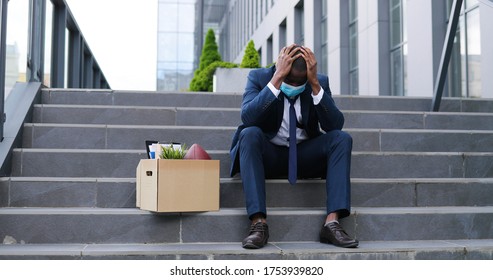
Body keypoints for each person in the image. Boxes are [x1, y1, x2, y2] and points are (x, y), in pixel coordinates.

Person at [229, 44, 358, 249]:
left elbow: (334, 125)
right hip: (268, 155)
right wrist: (277, 80)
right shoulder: (259, 78)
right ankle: (258, 223)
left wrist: (315, 84)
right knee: (249, 133)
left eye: (300, 82)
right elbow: (248, 117)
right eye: (289, 79)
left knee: (341, 138)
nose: (294, 85)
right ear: (280, 67)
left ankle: (332, 223)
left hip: (304, 156)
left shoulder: (318, 81)